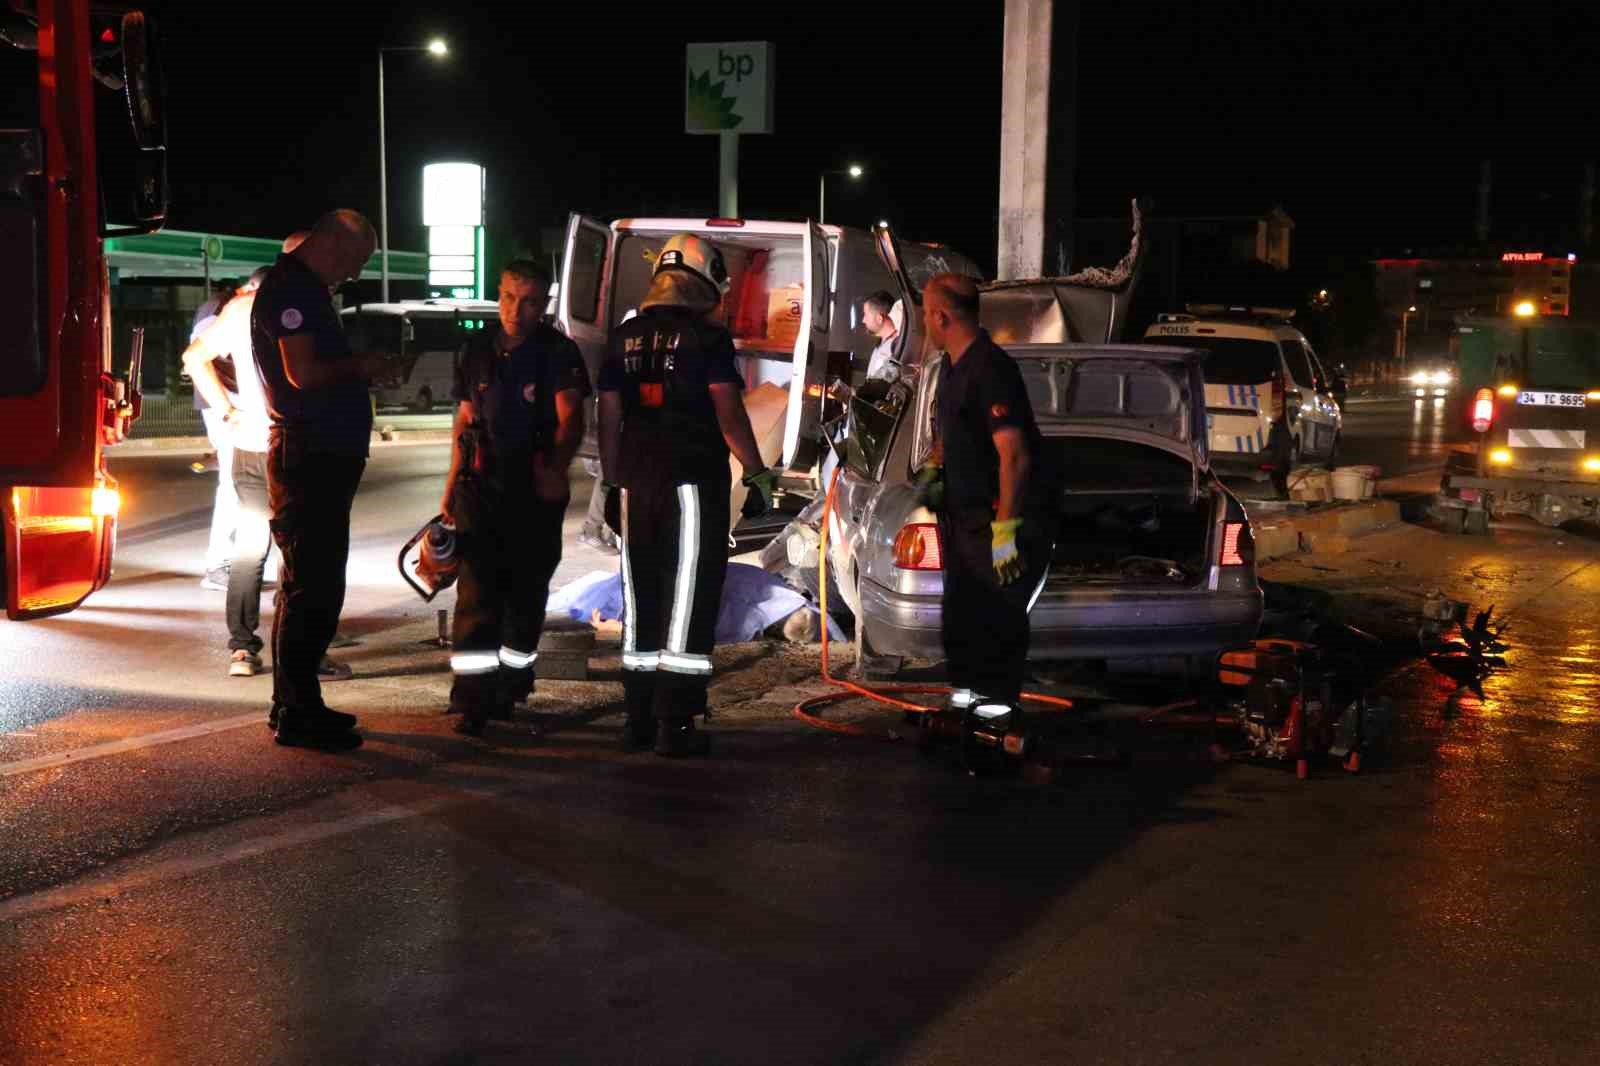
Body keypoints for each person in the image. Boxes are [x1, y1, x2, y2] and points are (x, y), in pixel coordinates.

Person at [596, 234, 776, 756]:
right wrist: (757, 471)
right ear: (703, 282)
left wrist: (610, 481)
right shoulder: (707, 340)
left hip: (634, 482)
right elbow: (729, 412)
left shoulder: (622, 338)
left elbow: (609, 418)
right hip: (691, 481)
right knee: (688, 594)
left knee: (641, 592)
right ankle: (675, 724)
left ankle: (636, 719)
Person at [251, 210, 388, 749]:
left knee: (306, 582)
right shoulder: (293, 290)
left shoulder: (302, 288)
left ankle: (293, 703)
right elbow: (302, 373)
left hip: (317, 454)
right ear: (332, 243)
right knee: (313, 585)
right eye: (355, 262)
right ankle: (299, 713)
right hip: (310, 457)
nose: (353, 275)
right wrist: (363, 366)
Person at [441, 260, 591, 736]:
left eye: (527, 300)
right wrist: (450, 484)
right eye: (507, 297)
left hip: (534, 489)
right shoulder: (478, 350)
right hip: (480, 488)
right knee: (475, 592)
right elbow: (464, 419)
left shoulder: (558, 352)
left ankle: (511, 685)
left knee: (525, 593)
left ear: (543, 302)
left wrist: (553, 469)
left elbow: (571, 420)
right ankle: (470, 698)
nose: (515, 309)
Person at [914, 273, 1052, 739]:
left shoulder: (991, 369)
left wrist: (1006, 529)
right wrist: (935, 469)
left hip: (994, 522)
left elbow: (1014, 454)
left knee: (995, 627)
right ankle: (967, 716)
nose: (922, 322)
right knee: (963, 624)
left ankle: (996, 726)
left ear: (941, 315)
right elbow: (950, 434)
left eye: (924, 312)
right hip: (963, 523)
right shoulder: (952, 368)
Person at [193, 278, 242, 590]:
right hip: (225, 407)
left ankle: (228, 563)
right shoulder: (222, 308)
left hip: (225, 406)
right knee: (234, 484)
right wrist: (228, 407)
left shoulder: (221, 305)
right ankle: (218, 565)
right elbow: (200, 356)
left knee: (238, 484)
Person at [861, 290, 904, 382]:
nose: (863, 320)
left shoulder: (897, 348)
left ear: (879, 318)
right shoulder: (880, 345)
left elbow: (883, 386)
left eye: (865, 315)